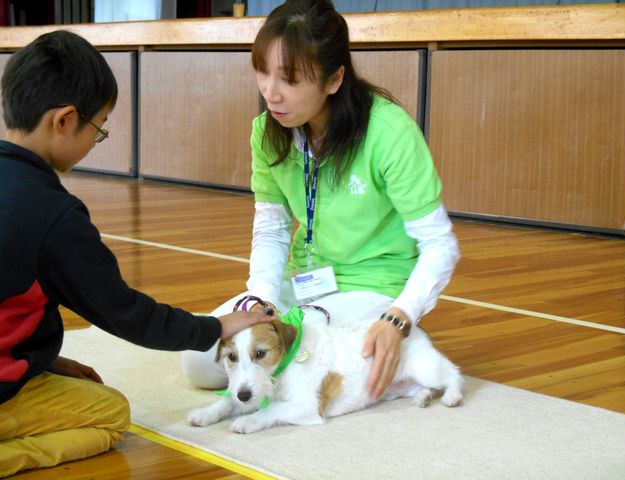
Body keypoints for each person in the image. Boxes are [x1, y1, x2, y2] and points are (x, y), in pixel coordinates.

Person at [0, 30, 273, 478]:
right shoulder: (54, 215)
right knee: (109, 414)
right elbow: (126, 314)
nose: (96, 139)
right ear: (65, 120)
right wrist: (216, 326)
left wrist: (43, 362)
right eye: (99, 127)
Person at [182, 0, 459, 402]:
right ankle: (364, 348)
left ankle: (394, 336)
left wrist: (400, 316)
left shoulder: (389, 132)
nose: (270, 93)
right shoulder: (266, 132)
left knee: (299, 355)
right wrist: (263, 301)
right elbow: (272, 229)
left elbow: (440, 245)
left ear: (334, 80)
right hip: (305, 284)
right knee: (199, 359)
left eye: (289, 80)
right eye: (263, 72)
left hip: (374, 286)